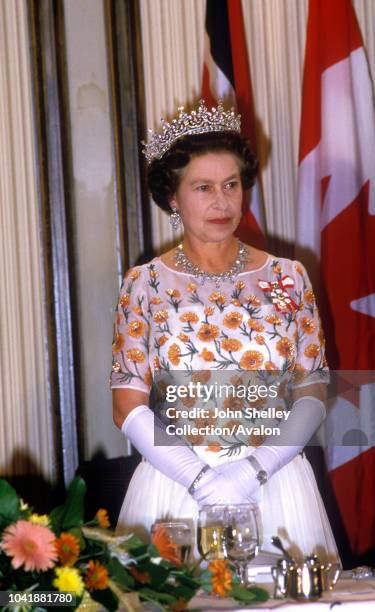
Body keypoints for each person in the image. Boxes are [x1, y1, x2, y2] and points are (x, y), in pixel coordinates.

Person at [110, 100, 339, 562]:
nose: (221, 201)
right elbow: (127, 408)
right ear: (173, 198)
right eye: (203, 187)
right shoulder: (145, 284)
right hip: (176, 491)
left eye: (231, 185)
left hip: (275, 488)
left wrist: (252, 472)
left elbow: (312, 390)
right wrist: (202, 481)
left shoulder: (288, 277)